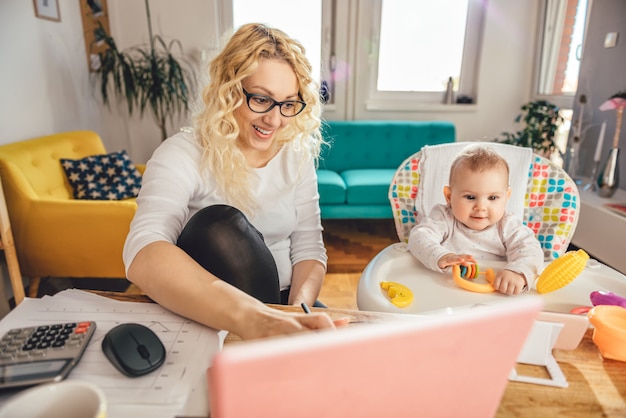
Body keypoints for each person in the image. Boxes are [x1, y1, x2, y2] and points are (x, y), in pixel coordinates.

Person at [123, 23, 346, 340]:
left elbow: (309, 249)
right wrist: (258, 320)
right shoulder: (182, 154)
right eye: (261, 99)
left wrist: (295, 312)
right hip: (215, 311)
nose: (274, 119)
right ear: (229, 91)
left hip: (286, 305)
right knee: (219, 223)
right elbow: (143, 252)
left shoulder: (295, 156)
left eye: (287, 104)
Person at [407, 144, 544, 295]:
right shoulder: (444, 217)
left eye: (493, 197)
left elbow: (530, 249)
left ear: (507, 197)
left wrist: (518, 272)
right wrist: (442, 256)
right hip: (447, 290)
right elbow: (418, 238)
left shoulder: (507, 225)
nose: (481, 207)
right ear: (449, 196)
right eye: (470, 197)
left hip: (495, 293)